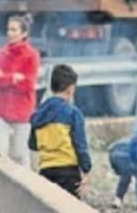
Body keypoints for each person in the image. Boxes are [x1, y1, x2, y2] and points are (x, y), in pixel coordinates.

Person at [29, 64, 91, 197]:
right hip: (68, 173)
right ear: (71, 89)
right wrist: (86, 170)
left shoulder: (39, 114)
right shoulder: (73, 113)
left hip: (46, 170)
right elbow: (80, 146)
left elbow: (32, 145)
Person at [0, 13, 41, 166]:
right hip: (2, 109)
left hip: (22, 111)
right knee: (0, 151)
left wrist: (4, 77)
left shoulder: (32, 55)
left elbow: (29, 83)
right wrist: (13, 78)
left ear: (23, 34)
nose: (9, 33)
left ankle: (26, 185)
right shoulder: (2, 53)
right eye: (8, 30)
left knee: (20, 153)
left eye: (13, 30)